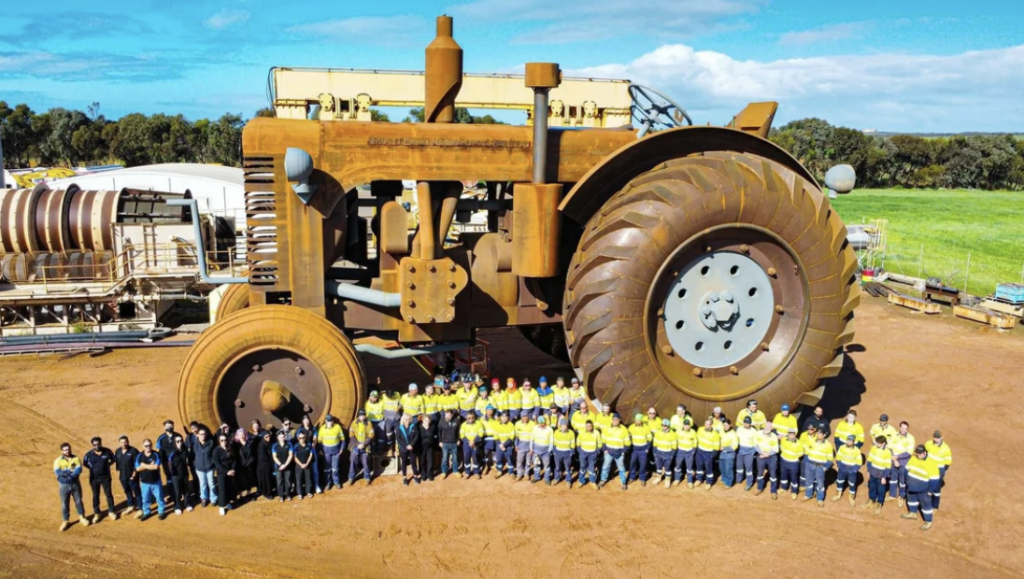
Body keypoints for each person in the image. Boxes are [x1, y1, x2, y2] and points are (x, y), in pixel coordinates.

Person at [900, 445, 940, 531]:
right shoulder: (913, 458)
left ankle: (928, 521)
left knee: (926, 505)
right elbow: (906, 470)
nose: (917, 455)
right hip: (911, 487)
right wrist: (907, 481)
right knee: (911, 501)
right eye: (917, 453)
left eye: (919, 454)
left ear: (924, 453)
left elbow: (934, 479)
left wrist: (931, 491)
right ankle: (912, 513)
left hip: (923, 490)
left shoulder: (931, 464)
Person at [54, 443, 90, 531]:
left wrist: (68, 473)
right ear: (62, 451)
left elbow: (78, 470)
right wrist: (69, 472)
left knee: (78, 501)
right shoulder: (57, 461)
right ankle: (66, 520)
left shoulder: (76, 458)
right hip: (63, 485)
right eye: (65, 450)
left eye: (69, 449)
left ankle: (82, 517)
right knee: (64, 504)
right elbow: (58, 472)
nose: (68, 451)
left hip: (75, 483)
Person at [82, 436, 116, 523]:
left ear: (101, 443)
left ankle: (111, 511)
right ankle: (97, 513)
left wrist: (106, 466)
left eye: (98, 444)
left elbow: (113, 459)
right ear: (92, 445)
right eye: (94, 445)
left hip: (105, 477)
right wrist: (93, 468)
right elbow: (85, 463)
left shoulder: (107, 451)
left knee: (108, 494)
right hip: (94, 478)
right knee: (95, 495)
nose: (97, 446)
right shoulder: (88, 454)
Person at [134, 439, 167, 521]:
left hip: (156, 481)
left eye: (149, 445)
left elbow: (156, 467)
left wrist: (143, 465)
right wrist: (150, 465)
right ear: (143, 446)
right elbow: (137, 469)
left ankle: (161, 511)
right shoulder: (139, 456)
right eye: (146, 446)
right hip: (144, 482)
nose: (148, 447)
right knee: (145, 499)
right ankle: (147, 512)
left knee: (159, 497)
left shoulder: (156, 454)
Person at [803, 429, 834, 507]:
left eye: (820, 434)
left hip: (820, 467)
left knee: (820, 484)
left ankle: (820, 499)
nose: (818, 435)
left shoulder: (828, 445)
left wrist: (825, 468)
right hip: (809, 465)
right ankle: (808, 494)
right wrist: (806, 462)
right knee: (808, 481)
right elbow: (806, 453)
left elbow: (830, 459)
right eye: (818, 433)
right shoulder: (812, 441)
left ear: (824, 435)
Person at [599, 413, 631, 491]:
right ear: (612, 420)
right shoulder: (607, 428)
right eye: (614, 419)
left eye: (617, 419)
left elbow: (627, 442)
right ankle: (603, 480)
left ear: (619, 420)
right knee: (605, 467)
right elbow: (603, 440)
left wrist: (624, 451)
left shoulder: (624, 429)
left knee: (621, 468)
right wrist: (604, 449)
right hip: (608, 452)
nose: (615, 421)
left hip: (619, 453)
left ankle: (623, 482)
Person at [889, 421, 916, 507]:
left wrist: (897, 457)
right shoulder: (894, 435)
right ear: (900, 427)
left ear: (907, 429)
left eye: (906, 429)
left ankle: (901, 496)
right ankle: (892, 495)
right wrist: (893, 457)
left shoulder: (911, 438)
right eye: (902, 428)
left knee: (902, 480)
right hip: (893, 460)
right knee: (893, 478)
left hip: (904, 462)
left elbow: (909, 453)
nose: (904, 430)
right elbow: (889, 447)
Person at [864, 435, 892, 514]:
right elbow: (870, 460)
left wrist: (884, 477)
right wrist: (869, 471)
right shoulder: (873, 448)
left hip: (881, 475)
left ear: (883, 443)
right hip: (873, 472)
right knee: (872, 487)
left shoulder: (887, 452)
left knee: (881, 490)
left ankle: (879, 504)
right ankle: (871, 500)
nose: (876, 444)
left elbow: (888, 466)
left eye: (878, 443)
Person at [114, 436, 141, 515]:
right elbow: (118, 465)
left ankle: (140, 507)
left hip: (132, 476)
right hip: (122, 476)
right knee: (127, 491)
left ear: (128, 441)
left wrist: (133, 476)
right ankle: (131, 506)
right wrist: (119, 475)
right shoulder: (118, 451)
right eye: (122, 442)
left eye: (125, 442)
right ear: (119, 443)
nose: (124, 444)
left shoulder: (134, 451)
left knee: (137, 492)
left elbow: (136, 465)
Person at [925, 430, 952, 510]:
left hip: (939, 469)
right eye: (935, 437)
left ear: (942, 437)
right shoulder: (928, 444)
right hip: (928, 467)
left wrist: (944, 470)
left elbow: (948, 461)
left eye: (938, 437)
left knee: (936, 487)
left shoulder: (946, 448)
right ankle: (926, 502)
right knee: (926, 484)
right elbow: (924, 454)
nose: (936, 439)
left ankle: (935, 506)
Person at [318, 414, 345, 491]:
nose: (330, 422)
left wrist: (342, 449)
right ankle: (328, 483)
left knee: (335, 468)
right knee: (327, 469)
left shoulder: (337, 427)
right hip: (326, 452)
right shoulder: (322, 429)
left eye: (331, 421)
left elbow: (343, 439)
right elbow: (319, 442)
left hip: (336, 452)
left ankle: (336, 482)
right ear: (326, 421)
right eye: (328, 421)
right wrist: (320, 450)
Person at [212, 433, 238, 516]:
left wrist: (233, 469)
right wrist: (226, 471)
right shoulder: (216, 450)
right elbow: (217, 463)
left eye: (225, 440)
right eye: (222, 440)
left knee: (230, 488)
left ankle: (229, 502)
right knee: (222, 489)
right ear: (219, 441)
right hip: (222, 472)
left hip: (230, 471)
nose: (224, 442)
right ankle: (222, 506)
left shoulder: (230, 449)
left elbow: (234, 460)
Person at [753, 423, 780, 499]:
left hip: (771, 457)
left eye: (769, 427)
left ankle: (773, 491)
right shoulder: (758, 433)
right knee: (760, 473)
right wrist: (762, 453)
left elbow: (775, 449)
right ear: (764, 426)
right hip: (761, 455)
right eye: (766, 426)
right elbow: (755, 445)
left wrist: (767, 454)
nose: (767, 428)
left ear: (771, 428)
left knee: (773, 474)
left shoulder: (774, 436)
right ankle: (759, 488)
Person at [834, 434, 862, 505]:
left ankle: (851, 498)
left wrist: (854, 470)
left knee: (852, 484)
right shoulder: (842, 448)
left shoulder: (857, 451)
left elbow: (859, 462)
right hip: (842, 468)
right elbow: (838, 458)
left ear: (853, 442)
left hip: (852, 470)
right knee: (839, 481)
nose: (848, 442)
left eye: (850, 441)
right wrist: (840, 466)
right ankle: (838, 495)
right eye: (848, 440)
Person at [155, 419, 180, 500]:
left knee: (178, 477)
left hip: (177, 461)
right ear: (164, 427)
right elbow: (158, 450)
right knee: (169, 478)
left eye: (170, 426)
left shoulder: (177, 436)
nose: (169, 427)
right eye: (167, 426)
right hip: (166, 462)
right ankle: (171, 495)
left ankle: (179, 493)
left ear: (173, 426)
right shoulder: (161, 438)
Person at [192, 428, 217, 507]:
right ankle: (204, 498)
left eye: (204, 434)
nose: (203, 436)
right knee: (203, 484)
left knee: (212, 483)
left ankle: (213, 498)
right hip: (199, 468)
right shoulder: (195, 444)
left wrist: (212, 462)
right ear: (198, 435)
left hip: (210, 467)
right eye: (201, 434)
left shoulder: (211, 443)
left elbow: (214, 454)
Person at [167, 435, 192, 514]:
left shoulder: (185, 451)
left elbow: (188, 460)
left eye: (181, 440)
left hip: (184, 473)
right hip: (176, 475)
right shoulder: (172, 452)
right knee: (177, 492)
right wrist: (173, 473)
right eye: (177, 441)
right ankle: (177, 506)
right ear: (175, 443)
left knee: (186, 490)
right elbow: (169, 464)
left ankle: (187, 504)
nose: (180, 443)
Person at [348, 411, 374, 485]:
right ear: (358, 416)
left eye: (363, 415)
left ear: (365, 416)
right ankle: (351, 478)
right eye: (360, 415)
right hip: (356, 446)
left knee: (365, 462)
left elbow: (371, 434)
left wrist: (364, 444)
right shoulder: (354, 423)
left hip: (365, 446)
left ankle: (367, 477)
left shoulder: (369, 423)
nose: (362, 417)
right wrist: (357, 444)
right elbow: (351, 434)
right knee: (353, 462)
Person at [296, 416, 320, 494]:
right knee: (305, 470)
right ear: (302, 421)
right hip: (303, 452)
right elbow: (298, 440)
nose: (306, 421)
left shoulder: (313, 429)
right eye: (305, 420)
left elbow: (315, 439)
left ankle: (316, 485)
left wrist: (314, 443)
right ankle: (304, 488)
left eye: (307, 420)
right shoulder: (300, 430)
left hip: (312, 450)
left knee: (315, 469)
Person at [695, 417, 721, 490]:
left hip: (708, 453)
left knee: (708, 468)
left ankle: (709, 482)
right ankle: (699, 479)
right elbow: (697, 440)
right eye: (706, 424)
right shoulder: (700, 430)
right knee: (699, 467)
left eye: (708, 424)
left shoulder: (715, 434)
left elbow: (716, 446)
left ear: (711, 425)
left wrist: (713, 455)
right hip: (700, 452)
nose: (707, 425)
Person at [627, 413, 652, 486]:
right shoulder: (631, 427)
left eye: (639, 420)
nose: (637, 421)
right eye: (636, 419)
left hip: (643, 449)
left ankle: (642, 478)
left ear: (641, 420)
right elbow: (628, 437)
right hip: (634, 449)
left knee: (643, 464)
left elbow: (649, 439)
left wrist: (647, 448)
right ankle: (632, 477)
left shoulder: (646, 428)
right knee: (632, 463)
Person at [779, 429, 804, 499]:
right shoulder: (783, 440)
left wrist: (794, 457)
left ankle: (794, 492)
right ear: (788, 434)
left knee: (794, 478)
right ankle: (783, 488)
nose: (791, 435)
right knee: (783, 476)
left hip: (793, 463)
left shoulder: (799, 443)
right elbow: (781, 448)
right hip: (784, 461)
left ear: (795, 435)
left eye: (793, 434)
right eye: (790, 434)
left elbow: (801, 453)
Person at [397, 414, 422, 485]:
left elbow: (417, 436)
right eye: (406, 419)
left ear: (411, 419)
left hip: (412, 448)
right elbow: (398, 439)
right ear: (403, 420)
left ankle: (415, 476)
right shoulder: (399, 427)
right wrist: (406, 446)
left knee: (413, 462)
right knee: (404, 463)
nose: (407, 421)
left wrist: (412, 445)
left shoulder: (414, 426)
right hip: (403, 448)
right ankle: (404, 478)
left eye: (408, 419)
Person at [576, 421, 601, 489]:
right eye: (587, 426)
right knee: (582, 467)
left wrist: (597, 451)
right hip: (583, 453)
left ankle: (592, 481)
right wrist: (580, 451)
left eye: (590, 426)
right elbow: (578, 442)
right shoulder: (581, 432)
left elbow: (599, 443)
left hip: (593, 453)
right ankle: (581, 481)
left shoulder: (596, 433)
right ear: (585, 426)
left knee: (592, 468)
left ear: (592, 426)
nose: (588, 427)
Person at [652, 419, 677, 488]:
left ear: (668, 426)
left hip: (668, 454)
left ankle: (667, 480)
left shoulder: (673, 434)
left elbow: (674, 447)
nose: (664, 427)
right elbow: (655, 444)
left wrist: (672, 455)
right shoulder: (657, 433)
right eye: (663, 425)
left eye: (665, 425)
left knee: (667, 468)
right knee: (658, 467)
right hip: (659, 453)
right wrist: (655, 453)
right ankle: (658, 478)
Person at [736, 416, 759, 491]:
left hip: (749, 452)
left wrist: (752, 452)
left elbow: (756, 443)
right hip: (740, 451)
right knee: (739, 467)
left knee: (748, 469)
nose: (746, 424)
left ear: (750, 423)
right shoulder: (739, 429)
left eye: (748, 423)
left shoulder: (754, 431)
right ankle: (739, 479)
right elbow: (736, 439)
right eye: (745, 422)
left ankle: (749, 483)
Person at [459, 412, 484, 480]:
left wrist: (474, 441)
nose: (470, 419)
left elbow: (481, 434)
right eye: (469, 418)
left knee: (475, 458)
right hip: (466, 445)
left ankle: (476, 472)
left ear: (474, 417)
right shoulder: (463, 425)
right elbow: (462, 435)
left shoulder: (478, 423)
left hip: (475, 444)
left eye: (472, 417)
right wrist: (468, 441)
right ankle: (467, 472)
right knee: (466, 458)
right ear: (466, 418)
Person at [531, 416, 555, 485]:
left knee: (546, 466)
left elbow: (551, 440)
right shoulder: (535, 428)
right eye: (540, 423)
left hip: (546, 451)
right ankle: (536, 477)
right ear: (538, 422)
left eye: (543, 423)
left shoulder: (549, 429)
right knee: (536, 465)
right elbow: (532, 439)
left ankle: (547, 478)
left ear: (545, 422)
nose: (541, 424)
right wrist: (531, 448)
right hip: (536, 450)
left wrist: (549, 450)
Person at [552, 418, 576, 487]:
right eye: (562, 425)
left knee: (568, 467)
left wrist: (572, 452)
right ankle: (556, 478)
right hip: (558, 452)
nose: (563, 427)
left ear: (567, 426)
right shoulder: (556, 432)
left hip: (567, 453)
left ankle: (568, 480)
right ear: (560, 426)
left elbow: (573, 443)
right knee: (557, 467)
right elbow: (554, 442)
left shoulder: (571, 433)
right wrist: (554, 451)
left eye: (565, 425)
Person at [293, 430, 316, 499]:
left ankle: (308, 491)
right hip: (298, 465)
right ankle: (300, 493)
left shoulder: (309, 445)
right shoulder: (296, 446)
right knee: (299, 479)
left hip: (307, 464)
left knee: (308, 478)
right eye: (300, 438)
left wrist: (307, 463)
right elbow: (294, 457)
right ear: (298, 438)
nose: (302, 439)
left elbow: (311, 455)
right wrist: (301, 464)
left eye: (303, 437)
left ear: (305, 438)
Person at [673, 421, 697, 488]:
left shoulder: (693, 432)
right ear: (683, 425)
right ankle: (677, 479)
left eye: (688, 425)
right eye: (685, 425)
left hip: (689, 452)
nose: (686, 426)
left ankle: (690, 481)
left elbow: (695, 441)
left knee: (689, 467)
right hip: (680, 451)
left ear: (690, 425)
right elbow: (675, 440)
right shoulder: (678, 431)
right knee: (678, 465)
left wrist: (693, 450)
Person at [438, 409, 461, 478]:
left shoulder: (457, 420)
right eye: (446, 414)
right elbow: (439, 432)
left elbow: (459, 431)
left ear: (452, 415)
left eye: (448, 415)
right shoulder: (442, 421)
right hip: (445, 443)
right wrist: (440, 441)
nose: (447, 416)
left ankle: (455, 471)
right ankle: (444, 472)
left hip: (454, 443)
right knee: (444, 458)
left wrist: (458, 439)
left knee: (455, 458)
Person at [272, 430, 294, 501]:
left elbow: (290, 455)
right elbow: (274, 456)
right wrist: (281, 465)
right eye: (280, 436)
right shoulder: (275, 445)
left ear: (285, 437)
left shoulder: (289, 444)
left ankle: (288, 494)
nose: (282, 437)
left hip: (288, 466)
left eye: (283, 436)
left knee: (288, 481)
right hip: (278, 467)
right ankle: (281, 495)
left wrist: (285, 465)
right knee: (279, 481)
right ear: (277, 437)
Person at [493, 411, 516, 478]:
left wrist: (504, 445)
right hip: (499, 445)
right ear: (500, 417)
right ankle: (499, 471)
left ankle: (511, 472)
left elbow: (511, 437)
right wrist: (500, 444)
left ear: (508, 417)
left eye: (506, 416)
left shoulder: (511, 425)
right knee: (499, 459)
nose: (504, 418)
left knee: (509, 459)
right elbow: (495, 435)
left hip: (508, 446)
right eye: (503, 416)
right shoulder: (497, 425)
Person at [718, 419, 739, 489]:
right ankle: (724, 479)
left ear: (730, 425)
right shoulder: (721, 432)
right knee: (722, 468)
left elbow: (734, 446)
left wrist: (724, 448)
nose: (725, 426)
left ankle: (729, 483)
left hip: (729, 455)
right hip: (722, 454)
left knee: (728, 469)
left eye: (727, 425)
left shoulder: (733, 434)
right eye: (724, 425)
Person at [797, 424, 818, 492]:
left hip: (814, 457)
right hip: (805, 456)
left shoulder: (818, 436)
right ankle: (802, 485)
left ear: (815, 429)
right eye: (808, 428)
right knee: (803, 471)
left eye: (811, 429)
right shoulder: (803, 434)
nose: (809, 430)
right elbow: (799, 445)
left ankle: (814, 488)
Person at [514, 412, 534, 481]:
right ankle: (519, 474)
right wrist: (516, 445)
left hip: (529, 445)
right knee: (519, 461)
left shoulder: (532, 424)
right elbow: (516, 437)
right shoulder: (517, 424)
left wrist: (532, 448)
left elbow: (534, 437)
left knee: (528, 461)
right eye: (523, 416)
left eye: (526, 416)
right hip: (521, 445)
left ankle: (526, 474)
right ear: (521, 417)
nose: (525, 418)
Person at [255, 431, 276, 499]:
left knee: (269, 480)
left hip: (268, 465)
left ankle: (270, 492)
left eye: (269, 436)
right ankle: (267, 493)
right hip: (263, 467)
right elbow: (263, 457)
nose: (268, 438)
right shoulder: (261, 445)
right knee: (265, 480)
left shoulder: (269, 443)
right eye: (266, 437)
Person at [419, 415, 437, 481]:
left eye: (428, 420)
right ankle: (423, 474)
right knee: (422, 461)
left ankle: (430, 474)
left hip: (430, 447)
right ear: (423, 420)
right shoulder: (419, 427)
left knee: (430, 461)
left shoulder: (432, 427)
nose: (427, 421)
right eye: (426, 420)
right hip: (422, 447)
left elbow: (435, 436)